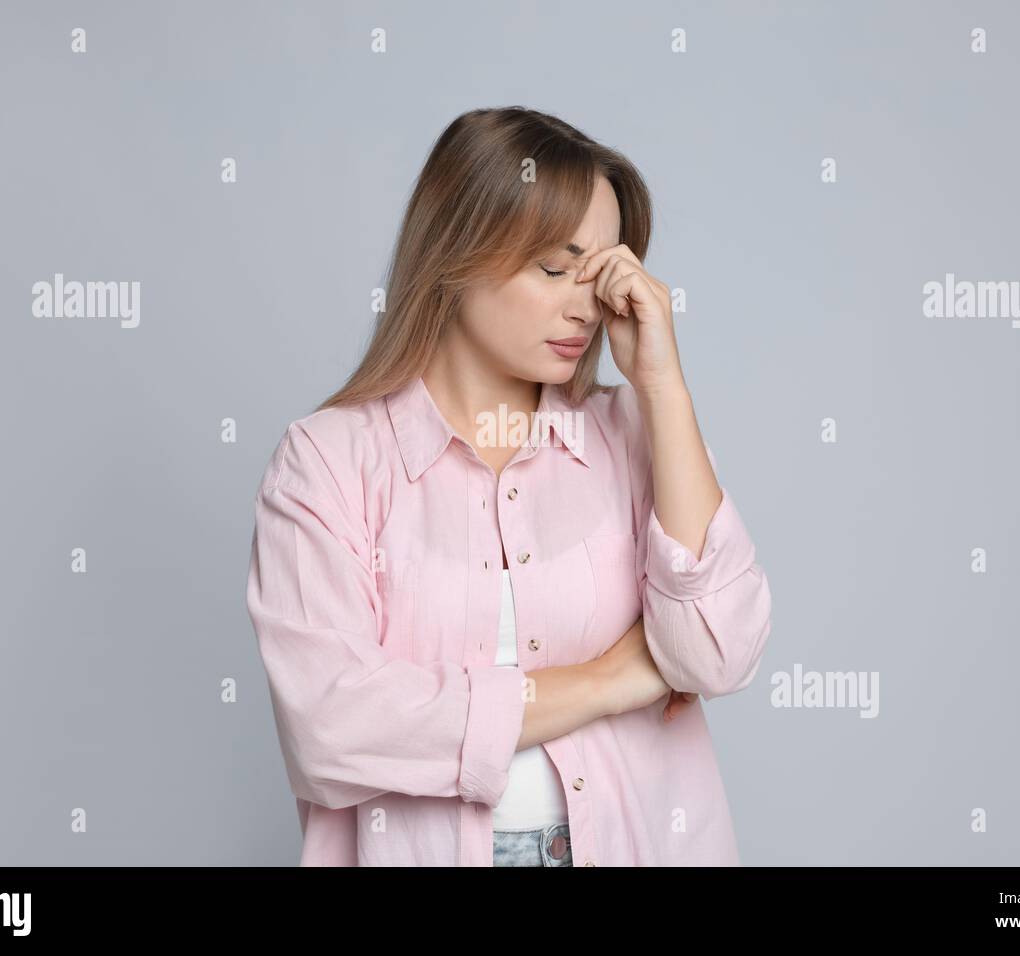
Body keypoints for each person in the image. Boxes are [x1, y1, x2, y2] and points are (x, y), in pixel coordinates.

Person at [245, 106, 773, 866]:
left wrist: (662, 386)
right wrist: (611, 678)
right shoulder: (327, 462)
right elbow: (330, 725)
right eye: (555, 270)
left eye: (597, 276)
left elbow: (718, 652)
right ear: (455, 256)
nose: (584, 305)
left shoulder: (634, 433)